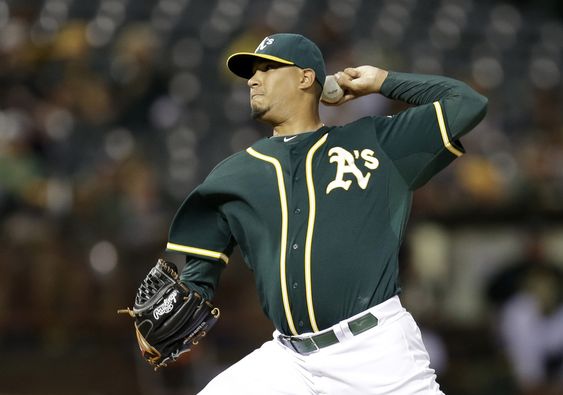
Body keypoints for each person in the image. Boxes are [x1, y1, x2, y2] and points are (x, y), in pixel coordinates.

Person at [164, 33, 487, 394]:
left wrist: (382, 81)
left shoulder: (375, 142)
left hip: (375, 350)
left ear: (306, 78)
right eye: (251, 72)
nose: (253, 79)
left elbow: (468, 103)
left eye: (268, 68)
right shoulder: (234, 174)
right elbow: (198, 274)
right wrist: (172, 308)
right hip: (290, 360)